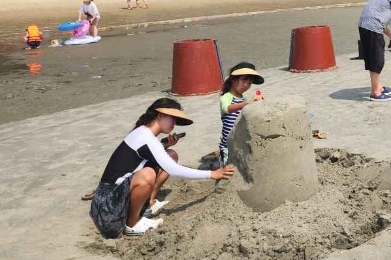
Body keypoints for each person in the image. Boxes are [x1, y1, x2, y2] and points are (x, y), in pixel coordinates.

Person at [89, 98, 235, 237]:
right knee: (147, 175)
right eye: (172, 118)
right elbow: (173, 169)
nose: (174, 123)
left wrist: (166, 145)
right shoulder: (145, 137)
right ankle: (132, 224)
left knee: (170, 154)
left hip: (112, 199)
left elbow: (154, 155)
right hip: (107, 211)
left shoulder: (143, 132)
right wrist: (212, 174)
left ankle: (148, 204)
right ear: (159, 116)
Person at [218, 62, 265, 166]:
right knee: (226, 168)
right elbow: (227, 109)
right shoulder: (226, 97)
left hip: (240, 142)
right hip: (227, 145)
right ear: (233, 79)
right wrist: (247, 103)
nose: (246, 85)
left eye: (249, 83)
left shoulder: (243, 99)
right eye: (244, 80)